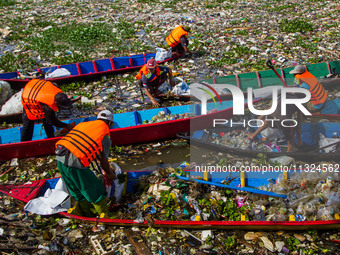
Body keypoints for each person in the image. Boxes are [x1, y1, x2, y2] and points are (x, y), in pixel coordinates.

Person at [55, 110, 116, 218]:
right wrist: (110, 173)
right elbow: (104, 162)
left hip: (59, 157)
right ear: (110, 123)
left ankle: (87, 214)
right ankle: (105, 215)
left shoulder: (83, 125)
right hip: (74, 161)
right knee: (95, 188)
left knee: (76, 189)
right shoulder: (104, 136)